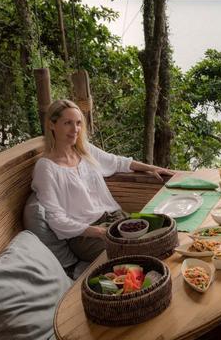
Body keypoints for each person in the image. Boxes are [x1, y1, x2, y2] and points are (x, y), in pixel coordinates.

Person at [31, 99, 173, 262]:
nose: (75, 129)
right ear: (51, 125)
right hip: (86, 235)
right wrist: (98, 231)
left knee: (163, 235)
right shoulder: (46, 168)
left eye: (78, 123)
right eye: (67, 123)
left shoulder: (84, 150)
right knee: (140, 256)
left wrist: (150, 168)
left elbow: (117, 162)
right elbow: (55, 218)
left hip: (116, 218)